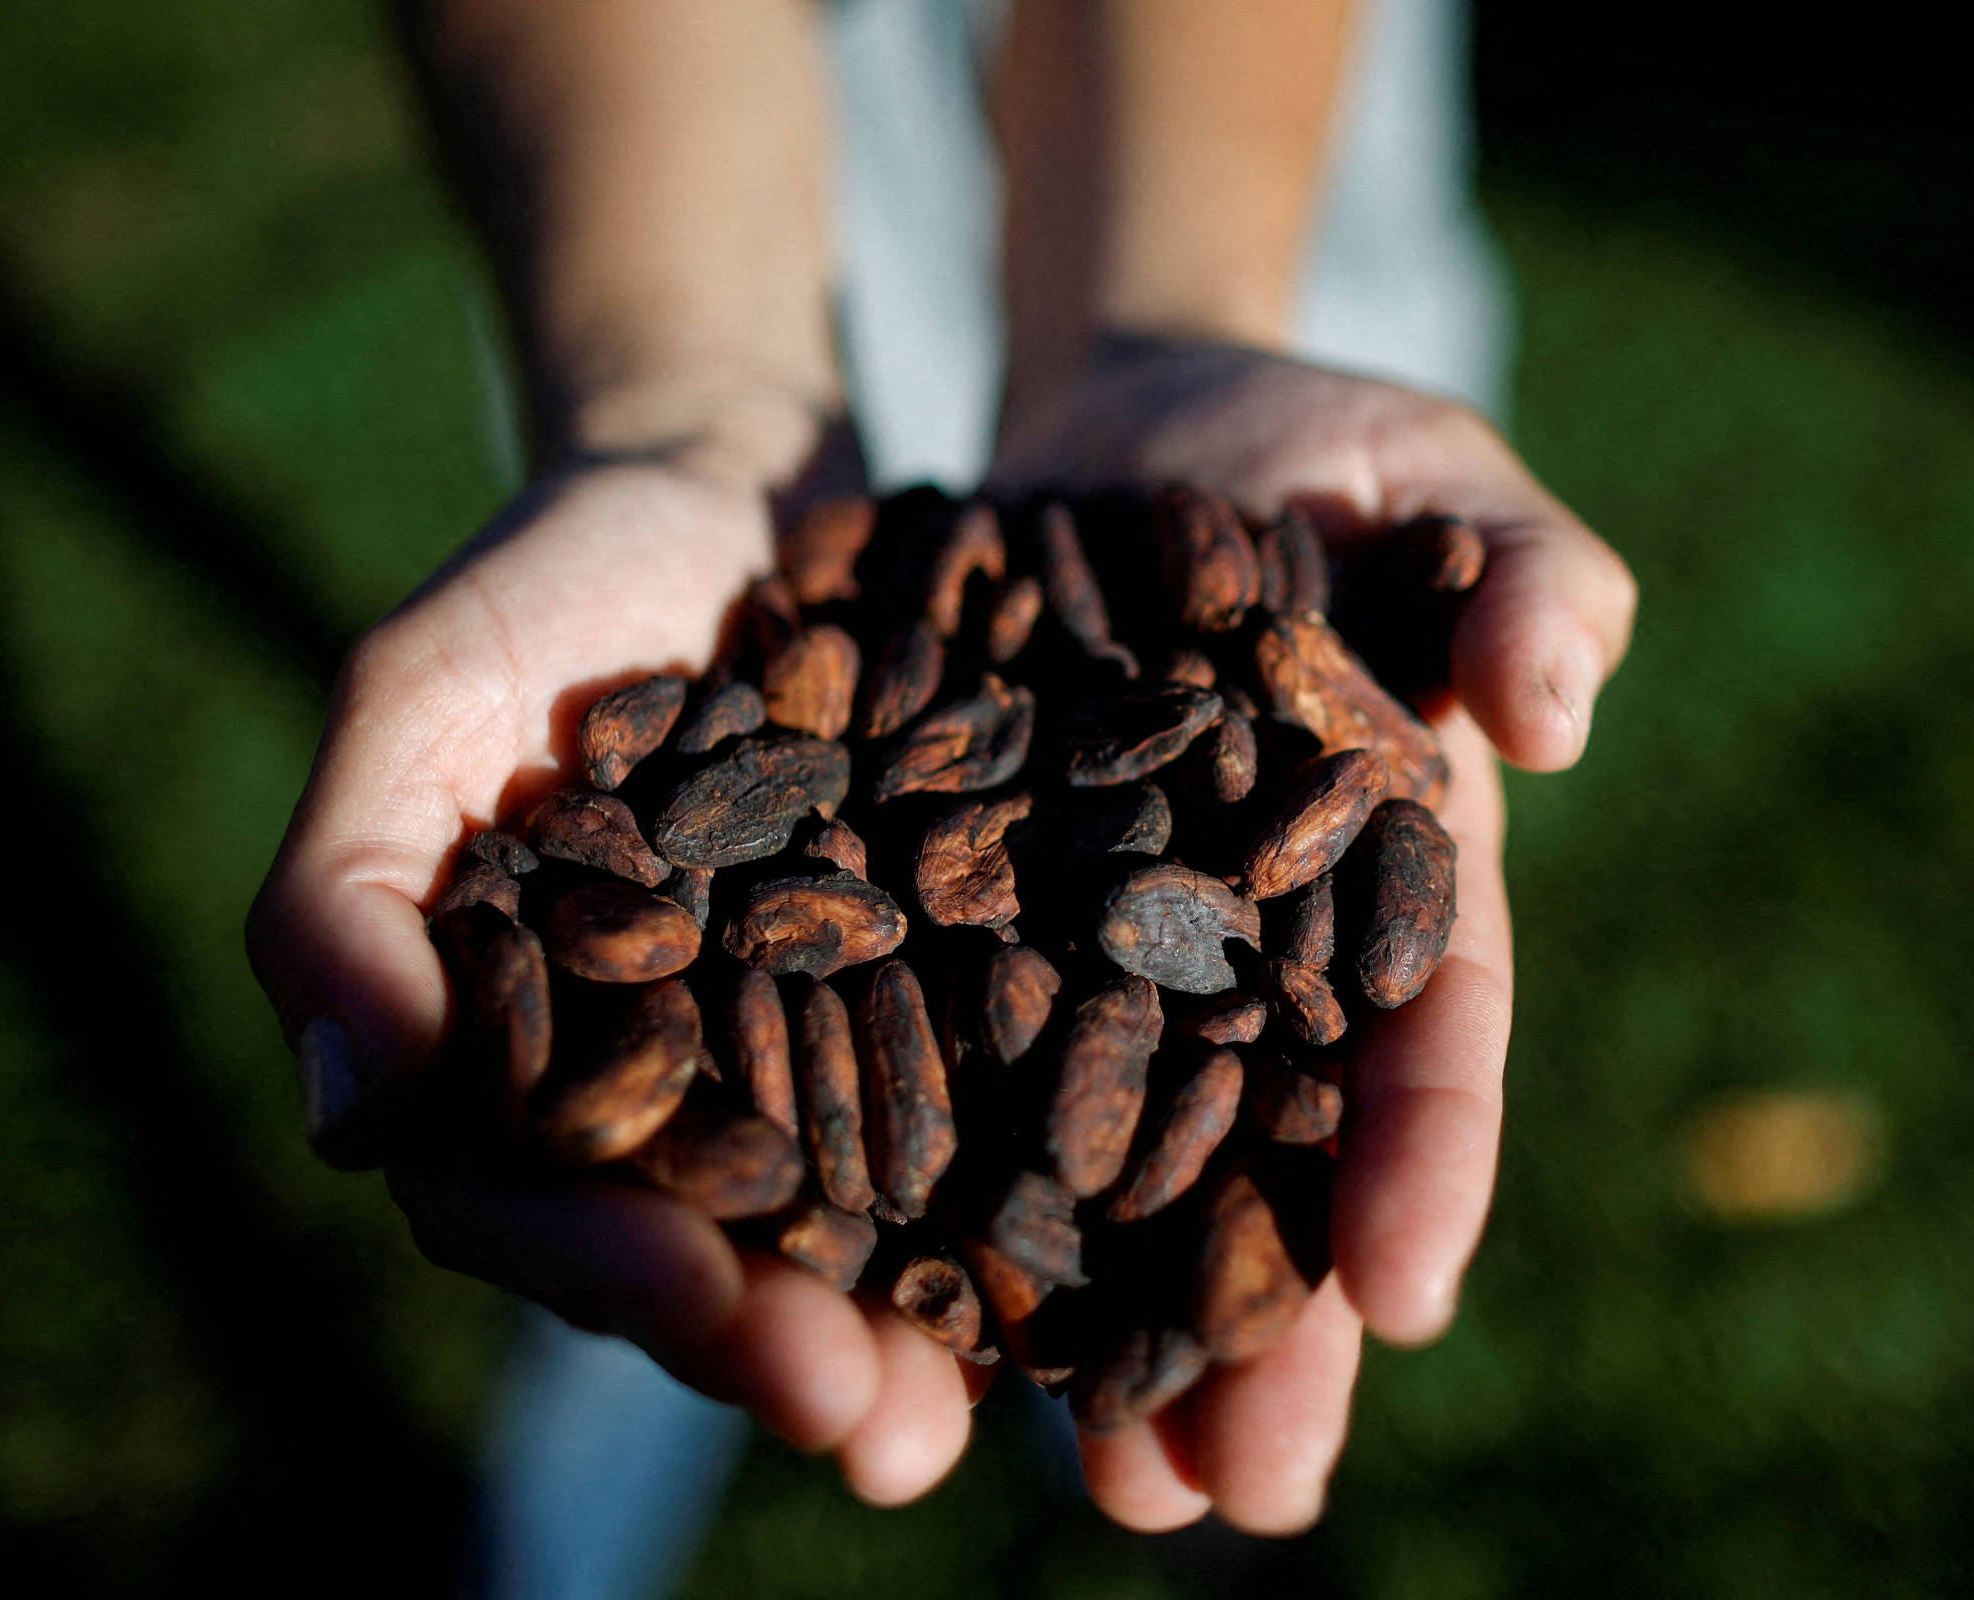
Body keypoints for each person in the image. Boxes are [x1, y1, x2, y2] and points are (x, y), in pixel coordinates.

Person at [245, 0, 1638, 1561]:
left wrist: (1173, 313)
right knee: (644, 1223)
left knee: (1083, 1278)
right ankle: (572, 1503)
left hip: (1251, 187)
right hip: (685, 252)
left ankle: (1056, 1354)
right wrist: (681, 397)